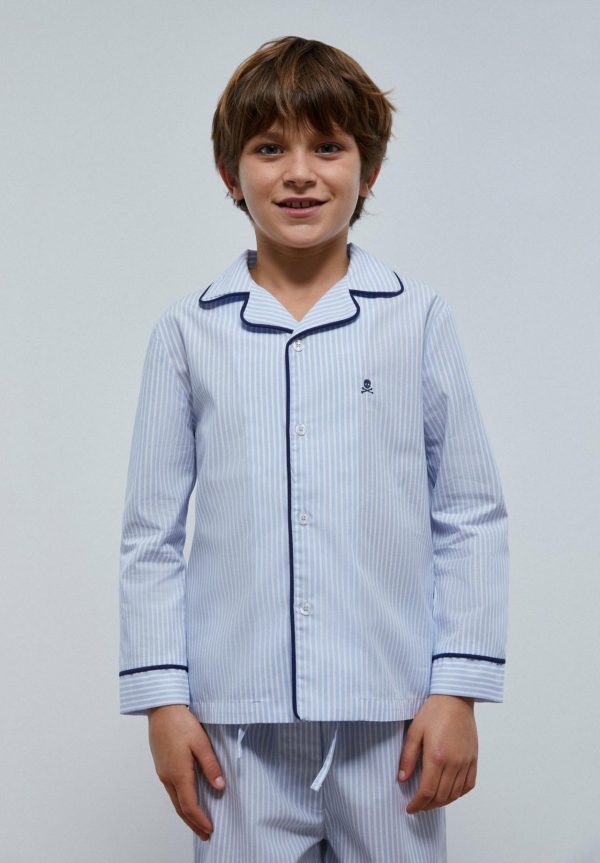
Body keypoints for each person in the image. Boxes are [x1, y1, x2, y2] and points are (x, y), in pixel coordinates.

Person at [118, 35, 509, 862]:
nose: (300, 172)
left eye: (328, 146)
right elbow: (150, 537)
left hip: (393, 722)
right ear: (230, 174)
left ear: (369, 169)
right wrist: (162, 702)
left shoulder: (416, 319)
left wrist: (458, 689)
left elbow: (470, 513)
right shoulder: (187, 333)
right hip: (235, 731)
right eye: (270, 148)